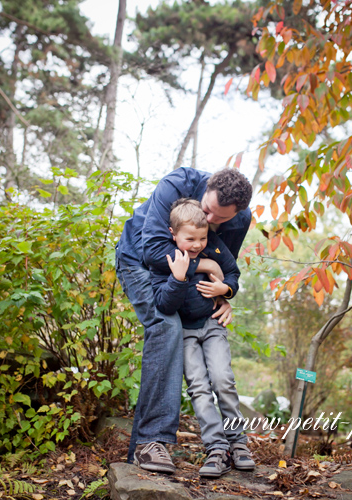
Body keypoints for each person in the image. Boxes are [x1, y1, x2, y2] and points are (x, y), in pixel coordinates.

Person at [115, 167, 252, 473]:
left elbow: (223, 267)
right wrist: (205, 263)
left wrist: (222, 295)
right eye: (207, 211)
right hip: (138, 258)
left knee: (202, 351)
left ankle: (227, 443)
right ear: (205, 189)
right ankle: (151, 443)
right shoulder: (175, 185)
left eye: (222, 219)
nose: (212, 222)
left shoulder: (240, 219)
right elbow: (153, 252)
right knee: (167, 326)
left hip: (181, 274)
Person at [151, 199, 255, 478]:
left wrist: (226, 288)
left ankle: (239, 443)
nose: (197, 244)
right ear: (174, 235)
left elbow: (232, 273)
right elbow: (164, 305)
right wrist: (178, 278)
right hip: (185, 333)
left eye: (202, 237)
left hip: (212, 325)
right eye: (190, 239)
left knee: (223, 380)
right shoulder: (167, 261)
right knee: (198, 386)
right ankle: (216, 447)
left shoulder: (216, 248)